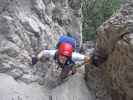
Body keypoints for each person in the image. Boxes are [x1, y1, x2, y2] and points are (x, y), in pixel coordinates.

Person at [31, 35, 107, 80]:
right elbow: (44, 52)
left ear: (69, 55)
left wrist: (93, 60)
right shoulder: (55, 53)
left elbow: (85, 58)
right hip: (67, 60)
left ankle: (72, 69)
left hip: (69, 64)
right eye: (62, 56)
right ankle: (71, 68)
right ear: (59, 53)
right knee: (66, 66)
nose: (63, 58)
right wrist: (36, 58)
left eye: (65, 57)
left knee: (63, 75)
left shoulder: (73, 55)